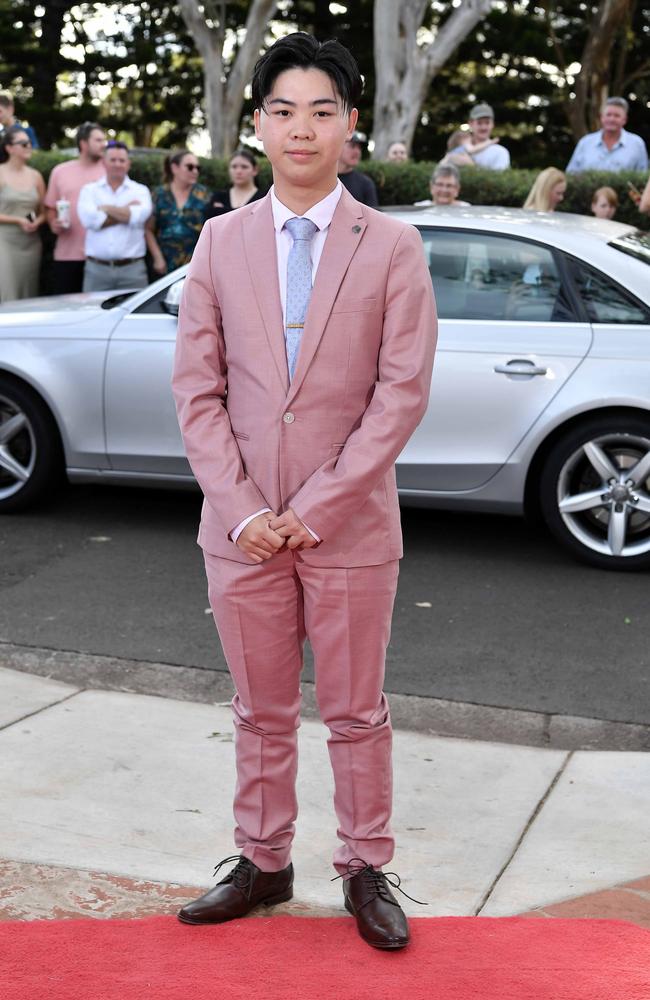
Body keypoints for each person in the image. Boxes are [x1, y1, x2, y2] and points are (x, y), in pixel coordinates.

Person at [172, 31, 436, 951]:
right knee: (260, 708)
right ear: (260, 124)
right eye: (283, 111)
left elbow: (399, 396)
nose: (301, 129)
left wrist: (313, 510)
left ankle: (366, 866)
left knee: (358, 712)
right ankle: (263, 860)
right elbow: (196, 390)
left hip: (350, 528)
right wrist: (244, 509)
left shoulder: (393, 246)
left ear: (349, 125)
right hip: (237, 531)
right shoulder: (217, 240)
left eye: (322, 111)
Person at [77, 141, 152, 292]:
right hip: (97, 270)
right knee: (93, 314)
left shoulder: (141, 191)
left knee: (134, 315)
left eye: (122, 160)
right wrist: (127, 210)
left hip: (132, 270)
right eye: (113, 160)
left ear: (128, 164)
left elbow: (138, 218)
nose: (117, 164)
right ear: (104, 163)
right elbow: (90, 221)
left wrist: (105, 208)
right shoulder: (89, 190)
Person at [44, 121, 106, 294]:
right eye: (98, 140)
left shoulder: (111, 170)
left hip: (100, 257)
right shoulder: (60, 171)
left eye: (104, 140)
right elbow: (50, 207)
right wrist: (52, 223)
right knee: (66, 310)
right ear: (83, 144)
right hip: (67, 255)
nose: (104, 144)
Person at [146, 149, 210, 276]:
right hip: (164, 264)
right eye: (190, 167)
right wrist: (157, 258)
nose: (195, 171)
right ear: (174, 168)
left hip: (195, 265)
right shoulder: (159, 194)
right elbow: (148, 229)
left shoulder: (204, 195)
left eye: (198, 168)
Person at [0, 125, 45, 302]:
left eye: (29, 143)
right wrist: (17, 220)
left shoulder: (36, 176)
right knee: (8, 291)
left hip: (31, 244)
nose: (29, 146)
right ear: (9, 148)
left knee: (29, 292)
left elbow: (44, 212)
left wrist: (38, 222)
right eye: (23, 143)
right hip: (4, 242)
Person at [566, 97, 648, 174]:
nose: (612, 119)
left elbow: (643, 178)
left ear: (624, 120)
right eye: (608, 115)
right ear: (601, 117)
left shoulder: (637, 144)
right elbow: (571, 174)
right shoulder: (585, 143)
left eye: (617, 116)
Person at [204, 148, 265, 220]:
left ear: (255, 170)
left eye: (244, 167)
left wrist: (223, 210)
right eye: (234, 167)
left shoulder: (263, 198)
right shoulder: (218, 197)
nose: (238, 171)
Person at [459, 103, 510, 170]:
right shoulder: (460, 148)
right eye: (479, 123)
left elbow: (499, 179)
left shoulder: (500, 152)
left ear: (493, 124)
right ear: (470, 123)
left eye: (487, 122)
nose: (483, 127)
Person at [337, 130, 379, 206]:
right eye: (352, 146)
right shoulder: (322, 180)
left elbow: (372, 215)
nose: (357, 152)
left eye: (359, 148)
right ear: (338, 147)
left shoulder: (366, 184)